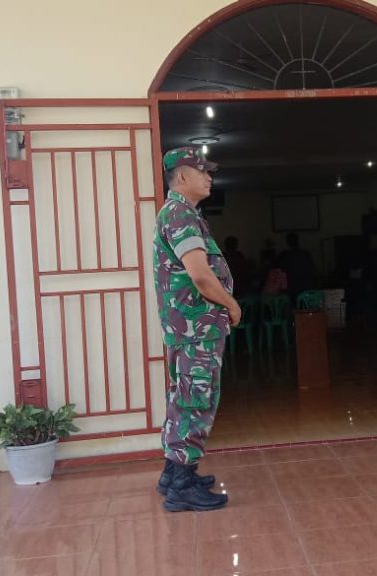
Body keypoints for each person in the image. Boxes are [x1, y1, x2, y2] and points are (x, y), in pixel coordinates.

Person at [152, 146, 241, 513]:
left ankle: (174, 473)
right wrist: (232, 305)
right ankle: (182, 487)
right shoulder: (180, 215)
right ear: (183, 176)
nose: (209, 177)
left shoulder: (178, 212)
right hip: (196, 329)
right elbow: (201, 276)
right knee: (195, 401)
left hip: (190, 328)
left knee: (184, 398)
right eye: (202, 171)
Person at [278, 232, 317, 305]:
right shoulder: (306, 254)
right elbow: (313, 269)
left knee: (294, 306)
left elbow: (282, 271)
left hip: (294, 290)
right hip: (307, 289)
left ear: (288, 243)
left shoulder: (287, 256)